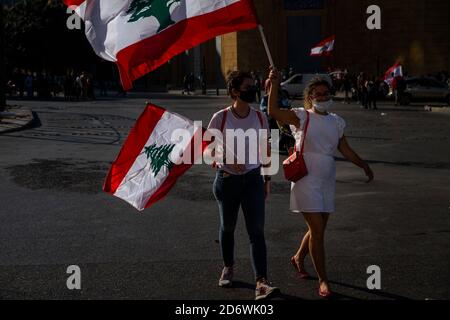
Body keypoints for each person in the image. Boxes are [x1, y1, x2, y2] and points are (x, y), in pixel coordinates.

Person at [267, 67, 374, 298]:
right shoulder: (302, 116)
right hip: (305, 178)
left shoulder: (337, 121)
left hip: (326, 178)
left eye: (326, 93)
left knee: (318, 229)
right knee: (318, 231)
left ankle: (298, 258)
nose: (323, 97)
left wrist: (363, 164)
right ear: (310, 97)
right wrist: (274, 84)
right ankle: (323, 280)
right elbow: (274, 111)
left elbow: (344, 149)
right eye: (318, 94)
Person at [207, 71, 279, 300]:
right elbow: (207, 151)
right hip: (227, 181)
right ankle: (228, 266)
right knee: (227, 227)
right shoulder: (220, 118)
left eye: (254, 85)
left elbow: (267, 150)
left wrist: (267, 179)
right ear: (236, 91)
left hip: (253, 180)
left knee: (256, 231)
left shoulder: (259, 117)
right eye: (248, 86)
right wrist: (225, 159)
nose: (253, 88)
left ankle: (262, 282)